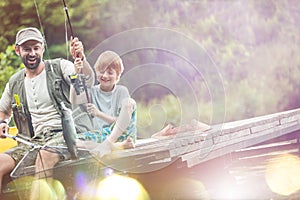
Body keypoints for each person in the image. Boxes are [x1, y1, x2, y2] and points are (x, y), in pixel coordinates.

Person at [0, 27, 94, 196]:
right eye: (27, 49)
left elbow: (84, 85)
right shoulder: (14, 83)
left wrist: (81, 61)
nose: (32, 53)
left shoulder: (61, 67)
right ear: (17, 50)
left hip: (64, 135)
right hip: (30, 142)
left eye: (36, 48)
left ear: (43, 47)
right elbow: (3, 112)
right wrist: (3, 123)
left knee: (44, 157)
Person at [70, 50, 137, 158]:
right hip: (103, 135)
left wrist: (98, 113)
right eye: (101, 71)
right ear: (96, 72)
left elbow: (120, 122)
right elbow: (74, 100)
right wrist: (75, 74)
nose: (105, 75)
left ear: (118, 76)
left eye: (110, 72)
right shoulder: (92, 91)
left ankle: (109, 144)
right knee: (74, 141)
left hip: (121, 134)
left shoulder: (121, 91)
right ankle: (115, 147)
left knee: (130, 102)